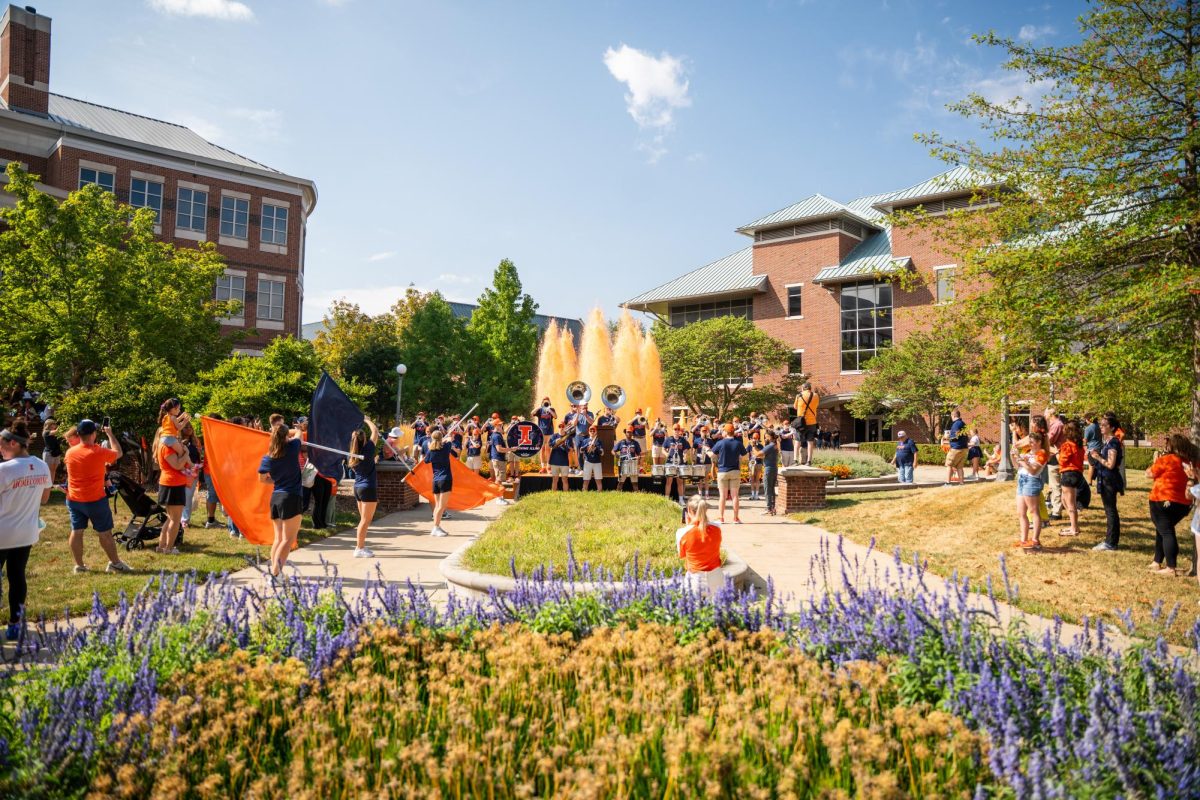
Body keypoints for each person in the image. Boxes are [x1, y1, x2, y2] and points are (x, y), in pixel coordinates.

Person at [0, 421, 52, 639]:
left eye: (1, 444)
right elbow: (45, 498)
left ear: (13, 443)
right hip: (26, 533)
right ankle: (15, 624)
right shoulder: (41, 465)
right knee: (17, 576)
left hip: (2, 534)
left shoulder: (4, 469)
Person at [63, 419, 132, 574]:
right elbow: (118, 453)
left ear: (78, 434)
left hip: (74, 499)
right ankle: (115, 563)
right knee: (105, 532)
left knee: (77, 531)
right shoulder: (98, 452)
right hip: (94, 500)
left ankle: (80, 566)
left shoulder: (70, 452)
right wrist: (110, 434)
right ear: (94, 434)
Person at [1145, 434, 1199, 576]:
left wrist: (1155, 462)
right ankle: (1157, 561)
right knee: (1162, 529)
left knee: (1166, 531)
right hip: (1184, 503)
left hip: (1161, 499)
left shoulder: (1167, 459)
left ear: (1172, 446)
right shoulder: (1193, 462)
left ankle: (1171, 567)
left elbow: (1149, 474)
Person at [258, 417, 304, 577]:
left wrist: (276, 480)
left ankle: (275, 572)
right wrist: (296, 428)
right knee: (287, 540)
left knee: (278, 539)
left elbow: (262, 479)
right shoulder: (292, 448)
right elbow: (299, 432)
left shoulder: (268, 457)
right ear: (286, 436)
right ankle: (275, 575)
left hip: (276, 498)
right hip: (291, 497)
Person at [153, 416, 191, 555]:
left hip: (169, 483)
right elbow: (176, 465)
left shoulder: (164, 445)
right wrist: (186, 454)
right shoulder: (166, 447)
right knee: (175, 520)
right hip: (172, 484)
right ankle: (168, 548)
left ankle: (161, 547)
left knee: (170, 518)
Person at [1088, 412, 1124, 552]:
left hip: (1110, 480)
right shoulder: (1108, 441)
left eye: (1104, 425)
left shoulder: (1114, 442)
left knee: (1111, 511)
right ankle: (1110, 541)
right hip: (1106, 479)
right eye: (1100, 425)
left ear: (1112, 427)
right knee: (1110, 511)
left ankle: (1110, 543)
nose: (1101, 427)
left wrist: (1097, 457)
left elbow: (1110, 464)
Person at [675, 495, 723, 595]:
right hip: (717, 578)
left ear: (688, 510)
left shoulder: (682, 533)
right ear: (705, 510)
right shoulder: (717, 528)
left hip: (695, 580)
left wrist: (689, 525)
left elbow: (682, 555)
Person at [348, 418, 381, 557]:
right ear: (364, 438)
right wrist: (367, 420)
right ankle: (359, 548)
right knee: (365, 520)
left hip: (358, 487)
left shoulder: (352, 453)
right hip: (368, 487)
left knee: (363, 520)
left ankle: (361, 546)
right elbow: (375, 431)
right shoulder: (368, 449)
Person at [1014, 430, 1049, 551]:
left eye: (1032, 442)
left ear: (1039, 442)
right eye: (1029, 442)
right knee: (1021, 512)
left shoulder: (1042, 453)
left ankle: (1035, 540)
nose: (1030, 444)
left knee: (1034, 511)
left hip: (1032, 481)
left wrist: (1022, 461)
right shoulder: (1028, 452)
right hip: (1022, 479)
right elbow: (1016, 466)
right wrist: (1016, 458)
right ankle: (1024, 540)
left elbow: (1033, 470)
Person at [422, 428, 460, 536]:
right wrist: (446, 438)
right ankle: (436, 527)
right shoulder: (445, 448)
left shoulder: (431, 451)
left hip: (436, 481)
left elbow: (426, 461)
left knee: (437, 506)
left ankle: (437, 526)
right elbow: (450, 439)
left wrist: (438, 442)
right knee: (441, 507)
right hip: (445, 479)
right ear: (441, 438)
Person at [711, 423, 747, 524]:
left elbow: (713, 455)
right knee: (735, 496)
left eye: (723, 431)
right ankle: (735, 518)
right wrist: (737, 457)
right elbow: (744, 455)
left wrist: (707, 450)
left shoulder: (720, 443)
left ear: (726, 432)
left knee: (722, 496)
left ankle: (721, 518)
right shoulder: (738, 443)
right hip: (735, 470)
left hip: (722, 471)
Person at [1056, 421, 1085, 538]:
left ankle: (1074, 528)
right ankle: (1074, 525)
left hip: (1068, 474)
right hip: (1077, 474)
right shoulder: (1079, 445)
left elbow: (1062, 461)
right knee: (1064, 499)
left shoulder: (1067, 445)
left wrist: (1056, 453)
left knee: (1070, 503)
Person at [1043, 407, 1065, 521]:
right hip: (1054, 457)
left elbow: (1048, 441)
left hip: (1056, 458)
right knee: (1053, 485)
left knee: (1055, 485)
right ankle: (1056, 507)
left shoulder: (1057, 425)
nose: (1044, 415)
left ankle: (1057, 512)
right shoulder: (1056, 424)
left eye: (1045, 412)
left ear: (1051, 414)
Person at [792, 382, 819, 466]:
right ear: (810, 388)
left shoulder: (799, 395)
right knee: (810, 442)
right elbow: (816, 406)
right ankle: (809, 461)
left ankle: (795, 460)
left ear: (803, 388)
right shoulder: (816, 395)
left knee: (797, 441)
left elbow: (795, 407)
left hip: (801, 423)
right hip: (812, 422)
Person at [663, 424, 690, 504]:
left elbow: (686, 449)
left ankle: (681, 500)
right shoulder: (669, 439)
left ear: (680, 431)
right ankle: (666, 500)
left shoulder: (683, 440)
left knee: (680, 482)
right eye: (675, 429)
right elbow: (663, 449)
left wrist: (685, 455)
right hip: (670, 462)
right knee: (669, 481)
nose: (676, 431)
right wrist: (666, 453)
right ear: (672, 430)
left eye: (678, 429)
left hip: (680, 463)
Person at [944, 409, 969, 485]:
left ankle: (948, 483)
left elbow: (955, 436)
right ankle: (961, 483)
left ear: (953, 415)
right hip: (964, 448)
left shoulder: (956, 424)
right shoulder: (963, 423)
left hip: (956, 448)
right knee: (959, 466)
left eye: (951, 416)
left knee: (949, 464)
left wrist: (947, 437)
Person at [532, 397, 556, 473]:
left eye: (547, 402)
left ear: (549, 402)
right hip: (541, 432)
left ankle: (549, 466)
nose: (546, 403)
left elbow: (555, 416)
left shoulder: (551, 409)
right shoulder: (540, 410)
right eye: (545, 402)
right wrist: (540, 406)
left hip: (549, 431)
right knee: (542, 449)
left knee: (548, 449)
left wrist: (549, 409)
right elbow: (532, 413)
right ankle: (543, 467)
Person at [547, 421, 572, 491]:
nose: (561, 428)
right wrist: (555, 441)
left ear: (565, 427)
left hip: (564, 462)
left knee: (565, 479)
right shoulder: (554, 436)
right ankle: (554, 496)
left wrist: (563, 445)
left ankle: (566, 495)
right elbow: (550, 445)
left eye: (562, 426)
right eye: (559, 426)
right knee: (555, 479)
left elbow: (569, 450)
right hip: (554, 461)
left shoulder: (568, 437)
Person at [579, 425, 604, 491]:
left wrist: (596, 447)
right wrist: (587, 445)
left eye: (594, 430)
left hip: (597, 462)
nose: (592, 432)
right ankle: (584, 494)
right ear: (589, 432)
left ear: (596, 432)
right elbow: (581, 451)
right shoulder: (585, 441)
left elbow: (602, 453)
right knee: (586, 480)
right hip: (588, 462)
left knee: (598, 480)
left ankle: (600, 495)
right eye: (591, 430)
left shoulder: (599, 441)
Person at [40, 418, 62, 490]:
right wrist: (62, 424)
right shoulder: (45, 432)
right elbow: (56, 431)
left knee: (53, 470)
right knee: (48, 470)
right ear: (49, 425)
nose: (55, 425)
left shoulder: (54, 432)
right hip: (48, 453)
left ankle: (51, 484)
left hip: (56, 452)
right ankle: (46, 485)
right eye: (53, 424)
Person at [762, 429, 779, 515]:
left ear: (771, 437)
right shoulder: (774, 445)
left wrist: (753, 446)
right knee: (771, 489)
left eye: (767, 437)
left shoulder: (770, 445)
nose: (765, 439)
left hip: (768, 469)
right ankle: (772, 508)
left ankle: (769, 508)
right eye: (765, 437)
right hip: (773, 468)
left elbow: (759, 454)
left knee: (767, 489)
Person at [747, 432, 763, 500]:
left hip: (759, 463)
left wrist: (755, 446)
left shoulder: (760, 446)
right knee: (752, 479)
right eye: (753, 438)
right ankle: (752, 494)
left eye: (756, 438)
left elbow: (762, 455)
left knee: (757, 479)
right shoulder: (749, 445)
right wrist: (749, 462)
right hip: (752, 463)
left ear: (758, 439)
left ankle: (756, 494)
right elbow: (747, 453)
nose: (754, 439)